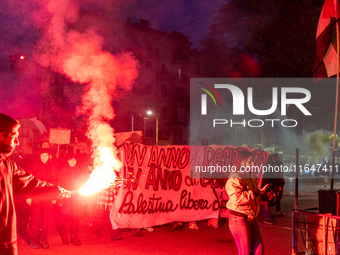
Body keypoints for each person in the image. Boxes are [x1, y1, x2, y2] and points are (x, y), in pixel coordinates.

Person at [0, 113, 70, 255]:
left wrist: (56, 190)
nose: (18, 142)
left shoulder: (7, 163)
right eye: (14, 136)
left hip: (6, 242)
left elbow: (31, 182)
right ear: (1, 136)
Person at [226, 150, 274, 255]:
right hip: (238, 218)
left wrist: (265, 197)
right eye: (250, 161)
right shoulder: (235, 176)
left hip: (251, 217)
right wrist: (256, 192)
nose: (253, 164)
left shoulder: (250, 177)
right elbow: (236, 199)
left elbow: (252, 200)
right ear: (242, 162)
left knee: (259, 250)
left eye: (253, 161)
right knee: (245, 252)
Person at [56, 153, 89, 246]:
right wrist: (65, 192)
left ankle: (74, 235)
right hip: (66, 198)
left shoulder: (80, 171)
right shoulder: (62, 171)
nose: (72, 162)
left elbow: (83, 183)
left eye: (74, 160)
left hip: (76, 198)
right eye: (70, 160)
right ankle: (64, 235)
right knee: (65, 217)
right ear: (67, 161)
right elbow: (59, 183)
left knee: (76, 217)